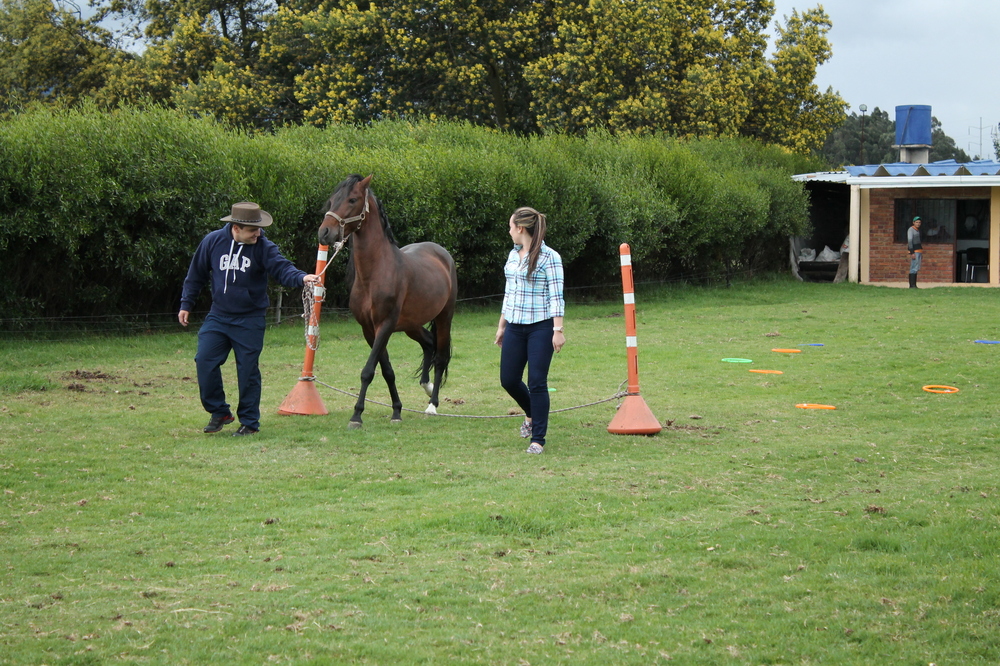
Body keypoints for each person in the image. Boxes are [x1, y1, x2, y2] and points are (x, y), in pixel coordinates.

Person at [179, 202, 319, 436]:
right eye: (253, 230)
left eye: (259, 229)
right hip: (218, 316)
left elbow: (282, 268)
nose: (259, 233)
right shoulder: (212, 242)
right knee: (204, 360)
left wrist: (302, 278)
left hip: (250, 319)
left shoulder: (264, 247)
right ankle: (219, 412)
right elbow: (195, 274)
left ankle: (250, 423)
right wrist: (186, 304)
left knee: (247, 371)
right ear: (236, 228)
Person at [494, 207, 565, 454]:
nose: (509, 231)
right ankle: (531, 414)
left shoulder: (549, 257)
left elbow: (557, 297)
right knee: (509, 380)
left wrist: (558, 330)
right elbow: (509, 293)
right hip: (515, 325)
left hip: (541, 327)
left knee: (537, 383)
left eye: (511, 226)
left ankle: (538, 439)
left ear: (521, 228)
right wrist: (502, 325)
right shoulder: (513, 256)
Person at [907, 216, 922, 288]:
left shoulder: (917, 230)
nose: (918, 224)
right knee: (913, 267)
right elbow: (910, 240)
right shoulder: (911, 229)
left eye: (919, 222)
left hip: (919, 250)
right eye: (916, 222)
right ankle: (912, 285)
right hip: (915, 251)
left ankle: (914, 284)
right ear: (913, 222)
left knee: (916, 267)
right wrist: (912, 252)